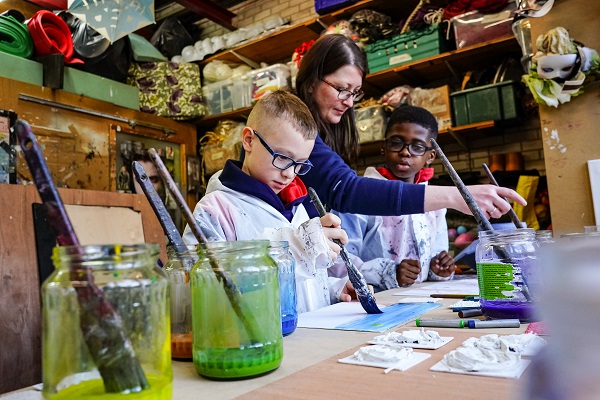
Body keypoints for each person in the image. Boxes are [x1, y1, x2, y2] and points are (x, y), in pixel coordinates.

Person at [295, 34, 526, 219]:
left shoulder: (324, 132)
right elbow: (345, 189)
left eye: (355, 92)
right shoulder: (291, 122)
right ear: (311, 81)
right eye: (342, 89)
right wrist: (458, 196)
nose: (349, 101)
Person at [182, 90, 357, 313]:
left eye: (300, 164)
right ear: (248, 140)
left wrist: (333, 289)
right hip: (260, 345)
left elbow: (297, 287)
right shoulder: (215, 210)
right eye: (283, 157)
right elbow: (200, 287)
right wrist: (291, 248)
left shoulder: (297, 207)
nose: (290, 174)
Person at [332, 105, 456, 291]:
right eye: (396, 142)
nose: (405, 152)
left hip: (419, 298)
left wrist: (438, 268)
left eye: (417, 146)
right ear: (384, 148)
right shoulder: (360, 195)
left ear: (431, 156)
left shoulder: (434, 202)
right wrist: (388, 272)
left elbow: (435, 253)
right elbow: (338, 261)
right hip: (372, 302)